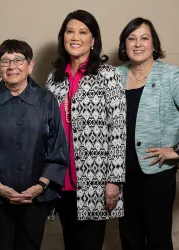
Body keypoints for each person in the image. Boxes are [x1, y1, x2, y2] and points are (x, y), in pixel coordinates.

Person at [0, 39, 69, 250]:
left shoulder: (47, 100)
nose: (12, 66)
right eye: (5, 61)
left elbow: (57, 148)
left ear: (30, 65)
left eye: (18, 60)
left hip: (35, 198)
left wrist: (40, 186)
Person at [46, 10, 126, 250]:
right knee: (69, 243)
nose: (75, 37)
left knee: (89, 244)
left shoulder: (108, 75)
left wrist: (114, 181)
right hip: (60, 179)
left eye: (83, 32)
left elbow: (118, 131)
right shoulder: (54, 79)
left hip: (94, 180)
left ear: (93, 40)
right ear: (62, 38)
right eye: (69, 31)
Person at [117, 17, 179, 250]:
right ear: (124, 45)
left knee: (158, 238)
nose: (138, 43)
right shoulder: (114, 76)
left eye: (145, 38)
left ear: (154, 44)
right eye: (131, 38)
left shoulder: (171, 76)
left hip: (157, 173)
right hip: (122, 174)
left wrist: (176, 151)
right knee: (129, 237)